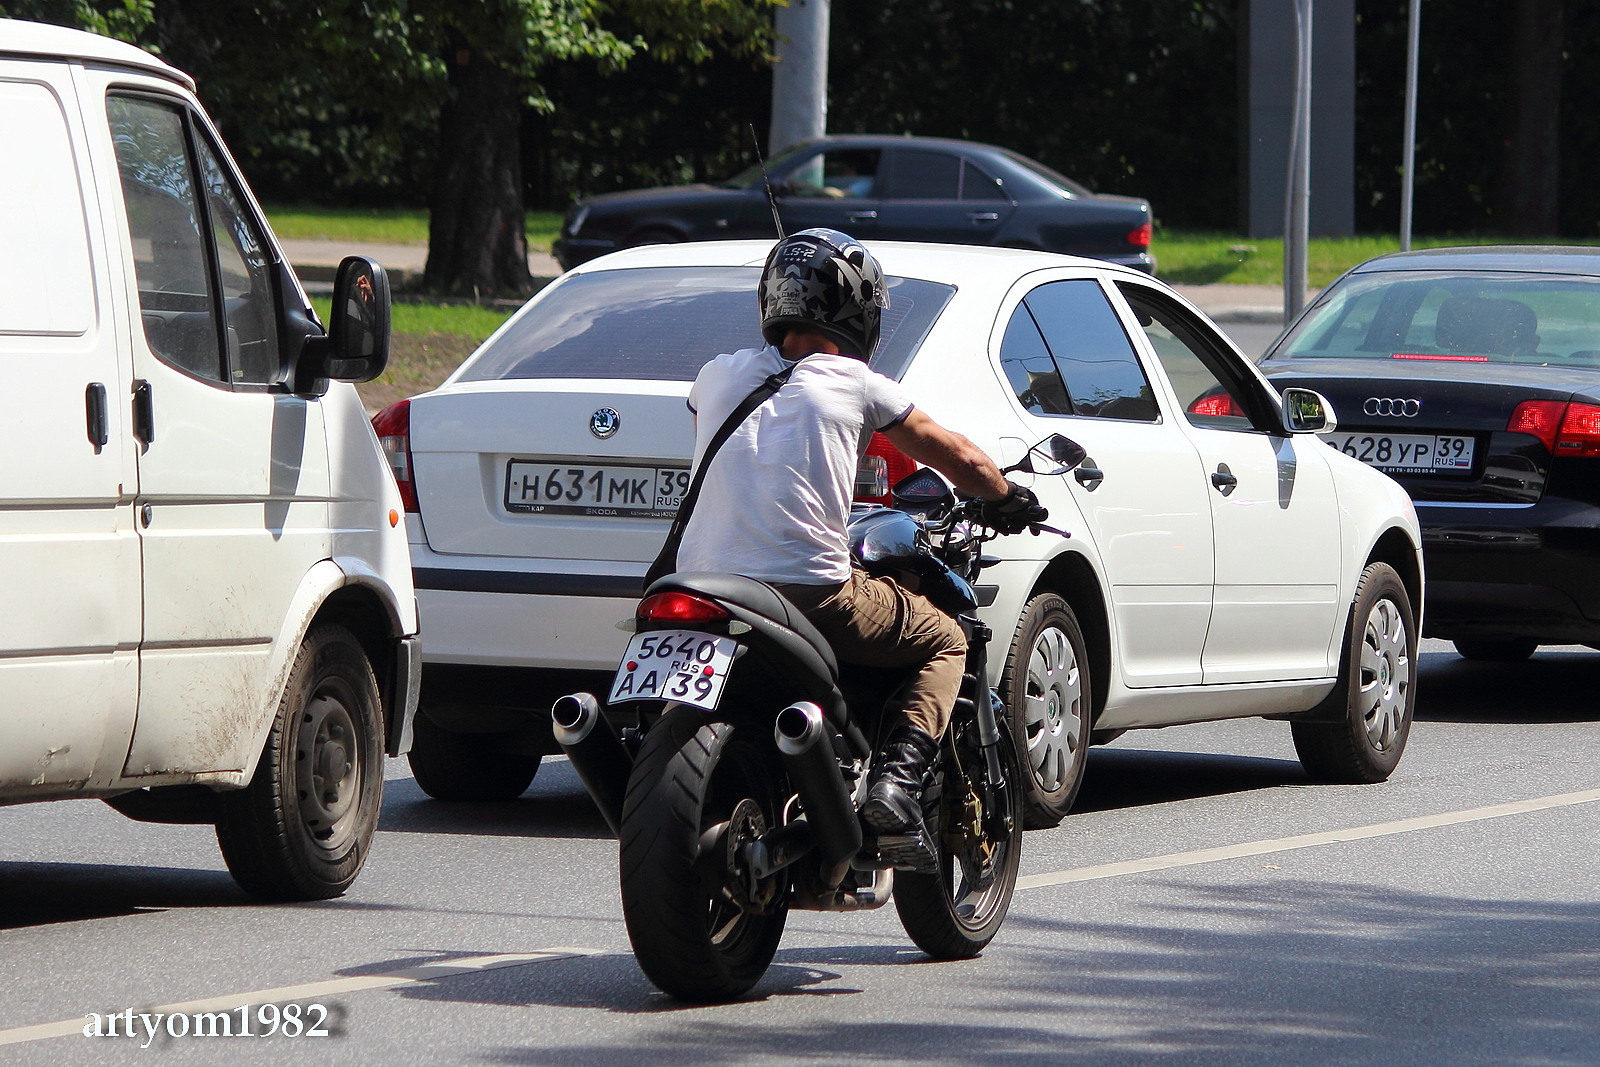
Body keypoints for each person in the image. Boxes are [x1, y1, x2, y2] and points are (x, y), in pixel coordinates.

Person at [676, 228, 1045, 847]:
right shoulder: (855, 382)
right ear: (858, 309)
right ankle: (895, 786)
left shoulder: (717, 375)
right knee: (945, 638)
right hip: (807, 593)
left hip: (698, 585)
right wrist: (1005, 496)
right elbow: (953, 454)